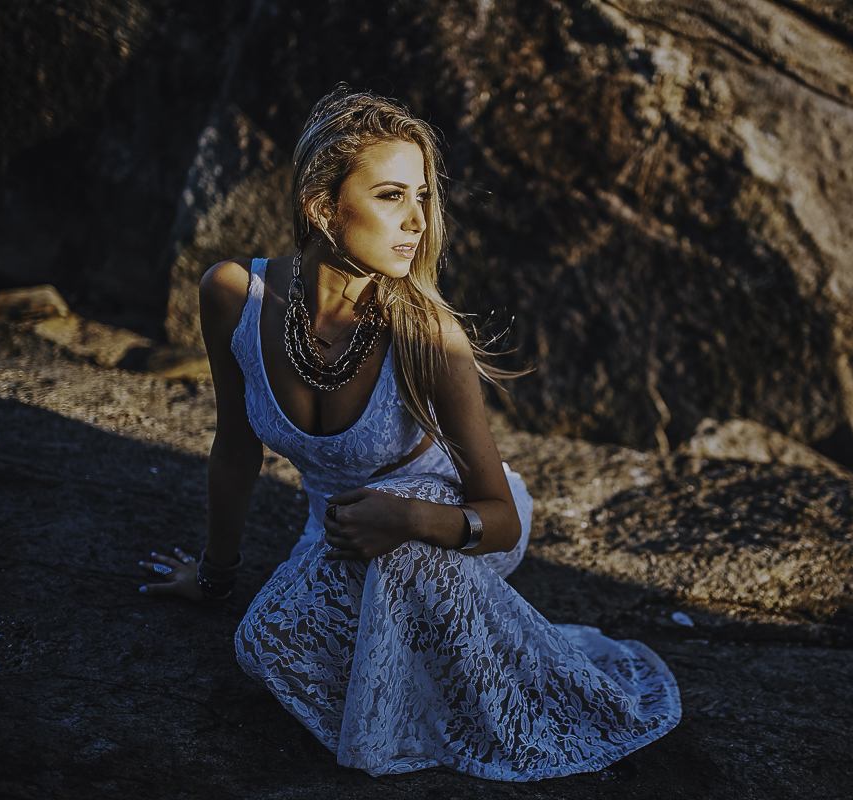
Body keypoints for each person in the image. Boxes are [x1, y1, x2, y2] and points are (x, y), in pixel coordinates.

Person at [138, 84, 680, 781]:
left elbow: (503, 519)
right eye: (393, 196)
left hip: (448, 518)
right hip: (337, 530)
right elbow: (236, 451)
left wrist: (409, 518)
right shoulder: (234, 295)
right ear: (321, 208)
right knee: (267, 642)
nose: (419, 220)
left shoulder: (427, 335)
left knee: (381, 581)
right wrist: (214, 578)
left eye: (423, 196)